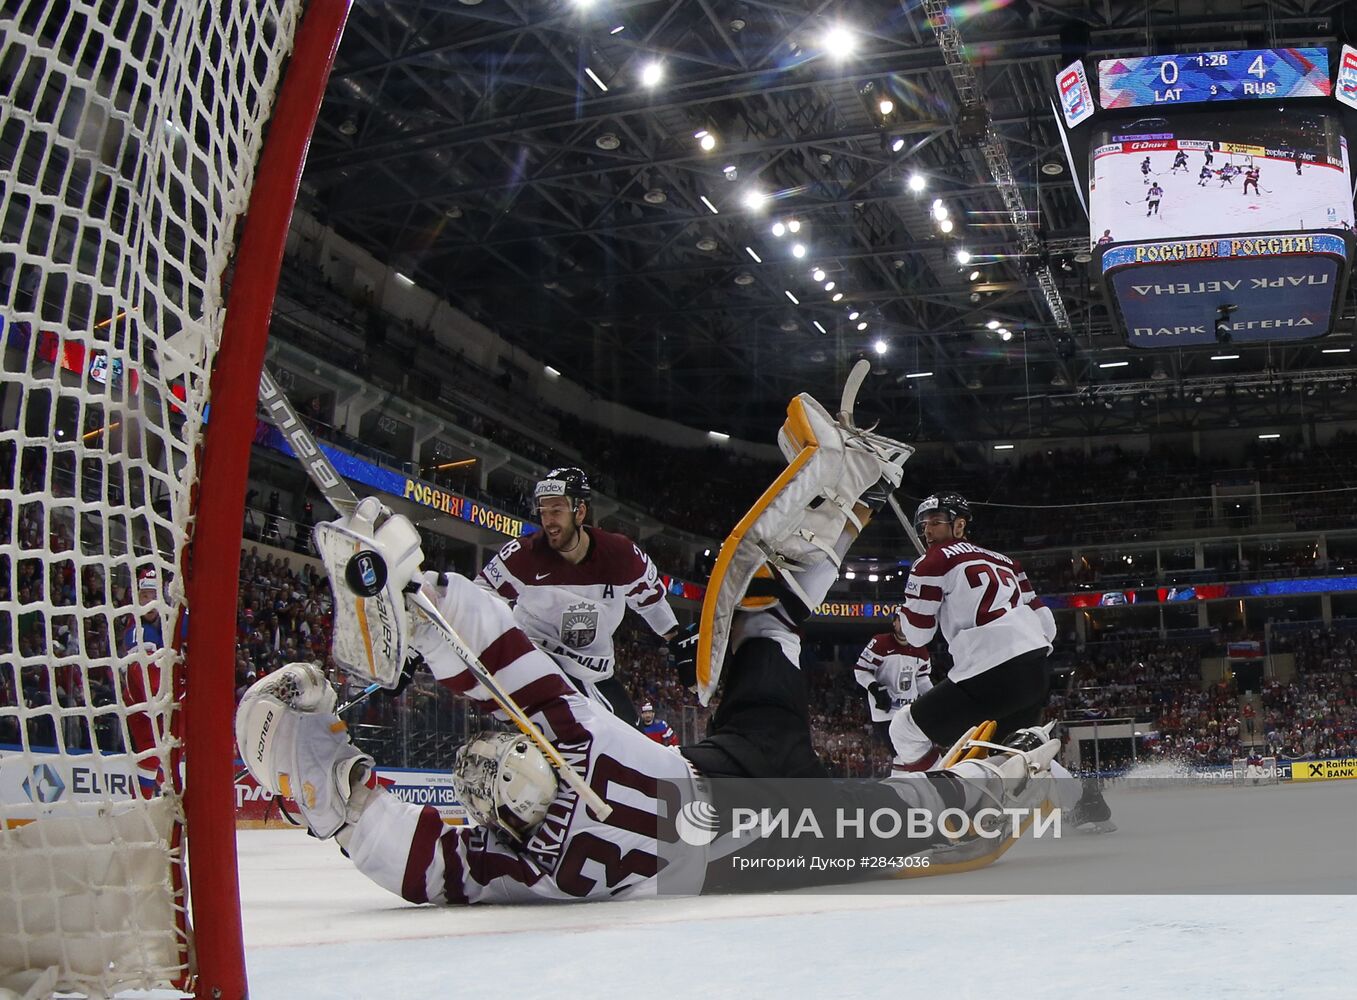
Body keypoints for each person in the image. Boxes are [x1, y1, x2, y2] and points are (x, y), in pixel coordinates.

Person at [236, 389, 1063, 903]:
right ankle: (836, 505)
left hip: (767, 830)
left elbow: (415, 862)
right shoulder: (572, 754)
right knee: (763, 641)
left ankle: (1001, 777)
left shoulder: (527, 868)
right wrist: (415, 596)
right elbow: (494, 659)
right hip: (746, 775)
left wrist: (325, 787)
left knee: (884, 792)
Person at [887, 495, 1114, 832]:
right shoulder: (1007, 562)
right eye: (924, 524)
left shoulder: (931, 562)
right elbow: (1047, 626)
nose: (927, 530)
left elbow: (918, 636)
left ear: (959, 524)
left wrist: (905, 618)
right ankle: (1087, 802)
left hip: (987, 672)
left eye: (935, 521)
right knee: (1014, 751)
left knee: (904, 729)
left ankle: (945, 805)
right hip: (1034, 668)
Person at [476, 467, 680, 726]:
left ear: (580, 511)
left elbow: (651, 602)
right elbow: (479, 596)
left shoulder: (620, 554)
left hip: (596, 675)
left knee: (629, 736)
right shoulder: (522, 554)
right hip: (537, 664)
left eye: (557, 510)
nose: (548, 520)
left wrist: (676, 639)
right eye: (544, 511)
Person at [121, 565, 167, 797]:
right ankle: (140, 805)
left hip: (160, 701)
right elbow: (143, 676)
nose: (150, 601)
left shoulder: (171, 623)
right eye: (145, 596)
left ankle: (159, 784)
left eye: (154, 595)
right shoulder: (137, 631)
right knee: (150, 751)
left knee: (161, 752)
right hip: (141, 701)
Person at [854, 630, 931, 765]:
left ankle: (907, 783)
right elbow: (861, 670)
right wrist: (874, 688)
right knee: (903, 756)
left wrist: (933, 698)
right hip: (886, 711)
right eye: (899, 620)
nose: (903, 625)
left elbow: (922, 678)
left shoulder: (920, 647)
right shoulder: (880, 643)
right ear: (894, 623)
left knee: (914, 756)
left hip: (910, 710)